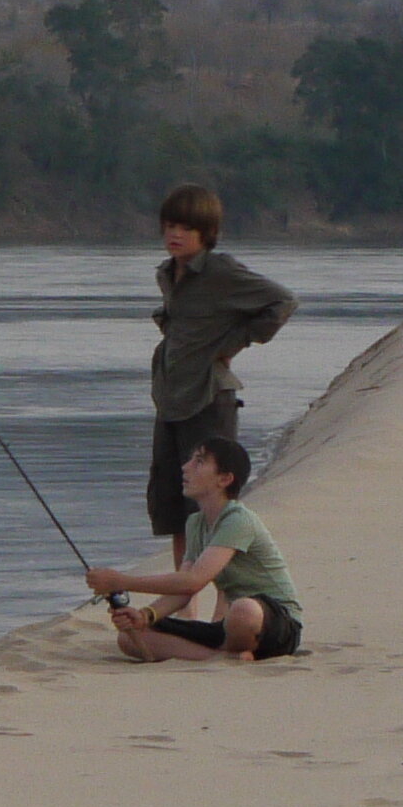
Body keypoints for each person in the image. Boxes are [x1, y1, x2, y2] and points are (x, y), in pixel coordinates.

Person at [144, 181, 293, 554]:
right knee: (173, 508)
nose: (175, 235)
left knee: (208, 506)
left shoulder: (220, 271)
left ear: (206, 233)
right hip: (170, 400)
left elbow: (282, 301)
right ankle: (184, 598)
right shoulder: (168, 273)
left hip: (208, 400)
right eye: (170, 226)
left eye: (186, 228)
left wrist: (236, 342)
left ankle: (220, 594)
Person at [85, 435, 302, 662]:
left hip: (277, 624)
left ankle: (227, 651)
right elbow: (183, 588)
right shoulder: (195, 523)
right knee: (130, 637)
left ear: (225, 479)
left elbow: (194, 581)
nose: (185, 467)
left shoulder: (238, 520)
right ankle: (221, 657)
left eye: (199, 461)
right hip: (230, 628)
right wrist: (145, 616)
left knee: (243, 610)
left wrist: (122, 581)